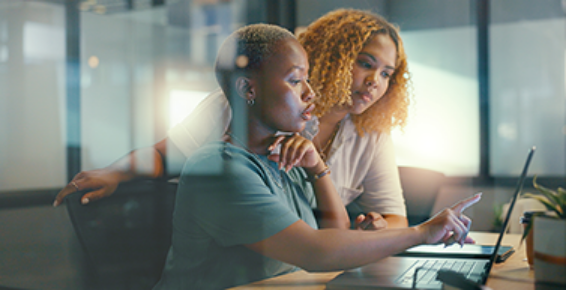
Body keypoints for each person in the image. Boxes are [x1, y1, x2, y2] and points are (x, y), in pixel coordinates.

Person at [152, 23, 481, 290]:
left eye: (306, 79)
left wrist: (317, 167)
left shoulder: (284, 155)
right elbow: (315, 251)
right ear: (247, 90)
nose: (309, 93)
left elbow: (334, 231)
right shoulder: (219, 169)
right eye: (295, 80)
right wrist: (422, 233)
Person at [54, 9, 410, 230]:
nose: (374, 83)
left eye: (386, 74)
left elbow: (395, 218)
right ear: (333, 56)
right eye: (366, 64)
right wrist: (117, 171)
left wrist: (378, 227)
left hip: (309, 257)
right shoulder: (243, 104)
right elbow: (166, 154)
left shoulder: (371, 133)